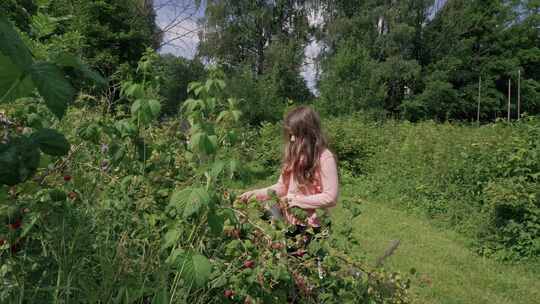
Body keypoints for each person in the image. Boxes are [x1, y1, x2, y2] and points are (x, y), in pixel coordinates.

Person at [239, 106, 339, 234]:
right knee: (267, 214)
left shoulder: (324, 157)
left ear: (309, 133)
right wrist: (254, 194)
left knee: (306, 253)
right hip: (291, 222)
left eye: (296, 135)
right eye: (290, 134)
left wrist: (293, 200)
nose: (292, 139)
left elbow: (330, 197)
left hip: (313, 227)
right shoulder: (294, 155)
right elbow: (282, 187)